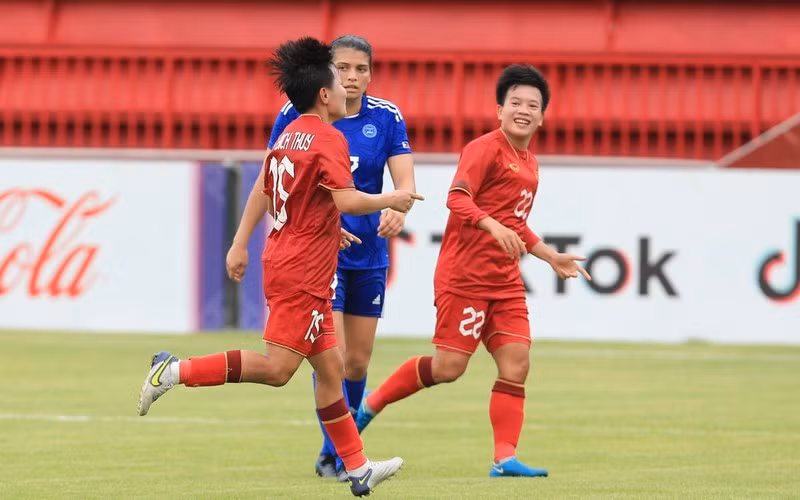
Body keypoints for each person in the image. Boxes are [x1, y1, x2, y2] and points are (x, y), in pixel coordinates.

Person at [136, 36, 423, 497]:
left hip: (290, 255)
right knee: (278, 370)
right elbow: (346, 198)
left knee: (331, 374)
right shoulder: (327, 136)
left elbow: (293, 195)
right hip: (305, 271)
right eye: (339, 76)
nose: (349, 83)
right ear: (325, 94)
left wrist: (327, 227)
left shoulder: (291, 134)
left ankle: (356, 467)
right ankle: (172, 371)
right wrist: (392, 198)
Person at [354, 64, 591, 478]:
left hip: (504, 281)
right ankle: (373, 402)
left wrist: (550, 256)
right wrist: (491, 224)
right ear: (499, 109)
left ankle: (504, 459)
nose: (523, 110)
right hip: (464, 276)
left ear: (542, 116)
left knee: (517, 363)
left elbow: (514, 222)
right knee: (448, 369)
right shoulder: (483, 148)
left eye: (532, 105)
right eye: (515, 102)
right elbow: (457, 199)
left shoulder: (530, 163)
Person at [227, 34, 416, 481]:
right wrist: (240, 239)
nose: (352, 77)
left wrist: (396, 209)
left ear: (371, 72)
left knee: (356, 362)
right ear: (328, 77)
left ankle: (343, 453)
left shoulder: (385, 117)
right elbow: (268, 178)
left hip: (367, 253)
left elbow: (404, 178)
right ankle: (339, 455)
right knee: (327, 355)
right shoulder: (297, 116)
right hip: (317, 258)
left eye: (362, 69)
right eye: (345, 68)